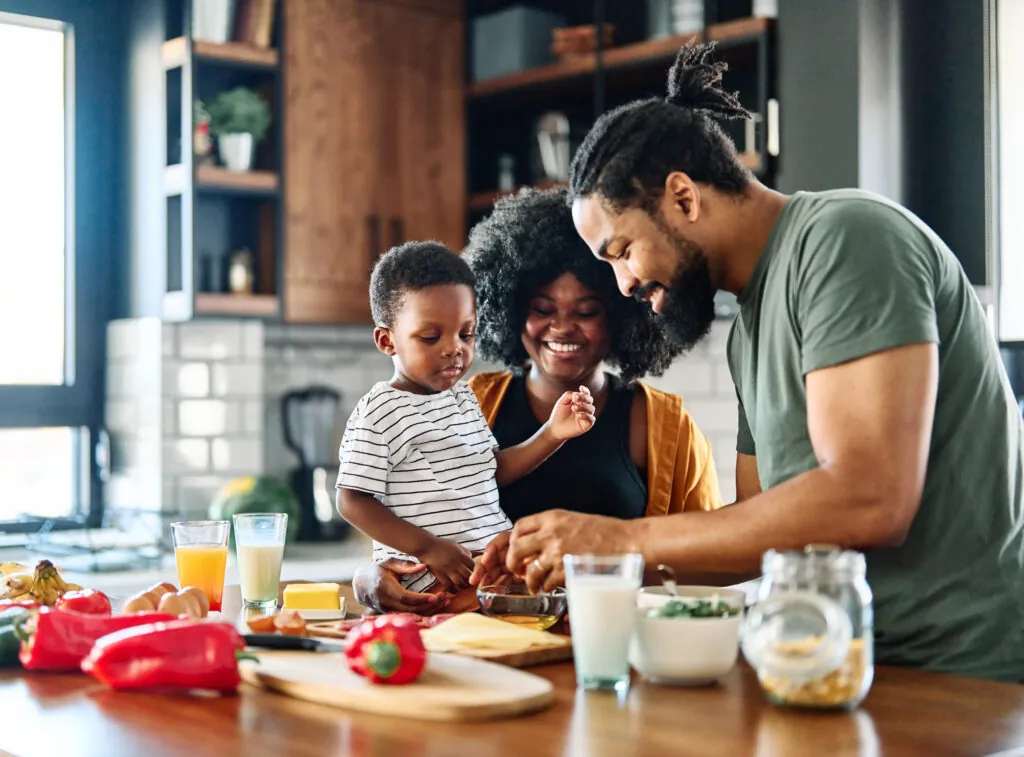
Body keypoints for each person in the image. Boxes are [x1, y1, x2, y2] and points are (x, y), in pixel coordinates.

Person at [494, 42, 1024, 681]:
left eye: (622, 249)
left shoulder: (848, 239)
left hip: (955, 678)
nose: (623, 283)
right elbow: (752, 539)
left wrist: (622, 542)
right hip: (829, 666)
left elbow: (871, 497)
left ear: (683, 198)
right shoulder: (749, 329)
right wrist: (570, 559)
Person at [352, 190, 724, 613]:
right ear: (509, 309)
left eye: (586, 312)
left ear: (621, 316)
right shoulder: (464, 404)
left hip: (607, 643)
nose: (561, 328)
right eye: (543, 308)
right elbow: (409, 529)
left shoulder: (665, 426)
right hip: (482, 646)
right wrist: (369, 578)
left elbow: (706, 562)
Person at [336, 241, 596, 596]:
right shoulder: (382, 409)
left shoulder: (461, 396)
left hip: (486, 575)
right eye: (430, 337)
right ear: (386, 341)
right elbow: (352, 499)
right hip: (431, 580)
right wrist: (428, 547)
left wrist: (552, 433)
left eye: (466, 333)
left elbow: (489, 469)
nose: (454, 348)